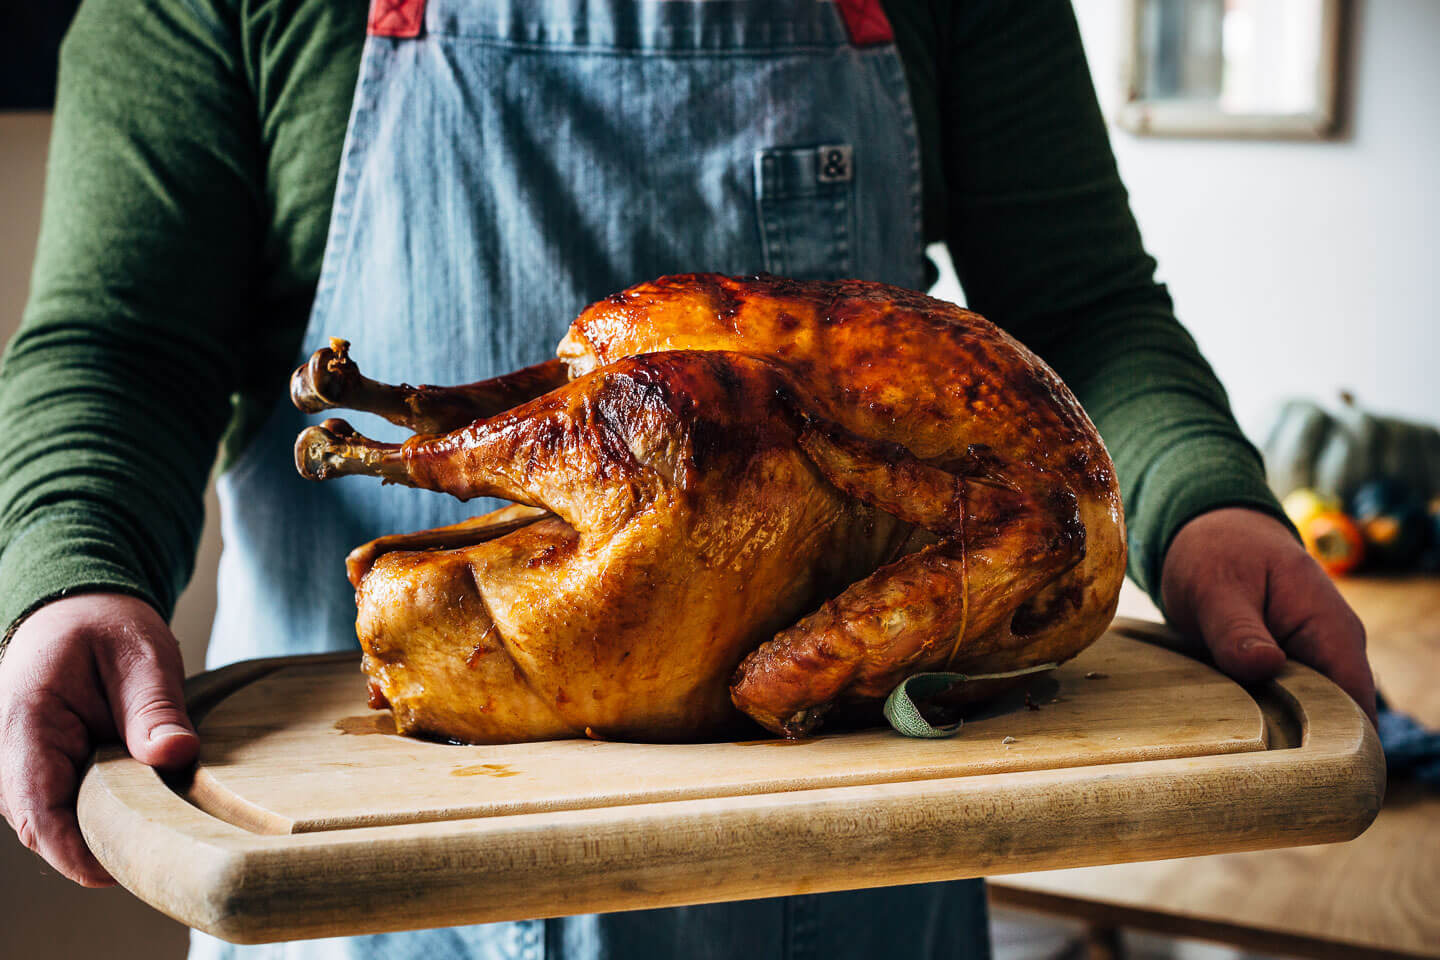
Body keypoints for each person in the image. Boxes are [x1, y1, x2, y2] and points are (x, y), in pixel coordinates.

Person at [0, 0, 1375, 957]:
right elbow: (123, 341)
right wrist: (71, 567)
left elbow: (1082, 307)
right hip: (363, 872)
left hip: (847, 889)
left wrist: (1210, 505)